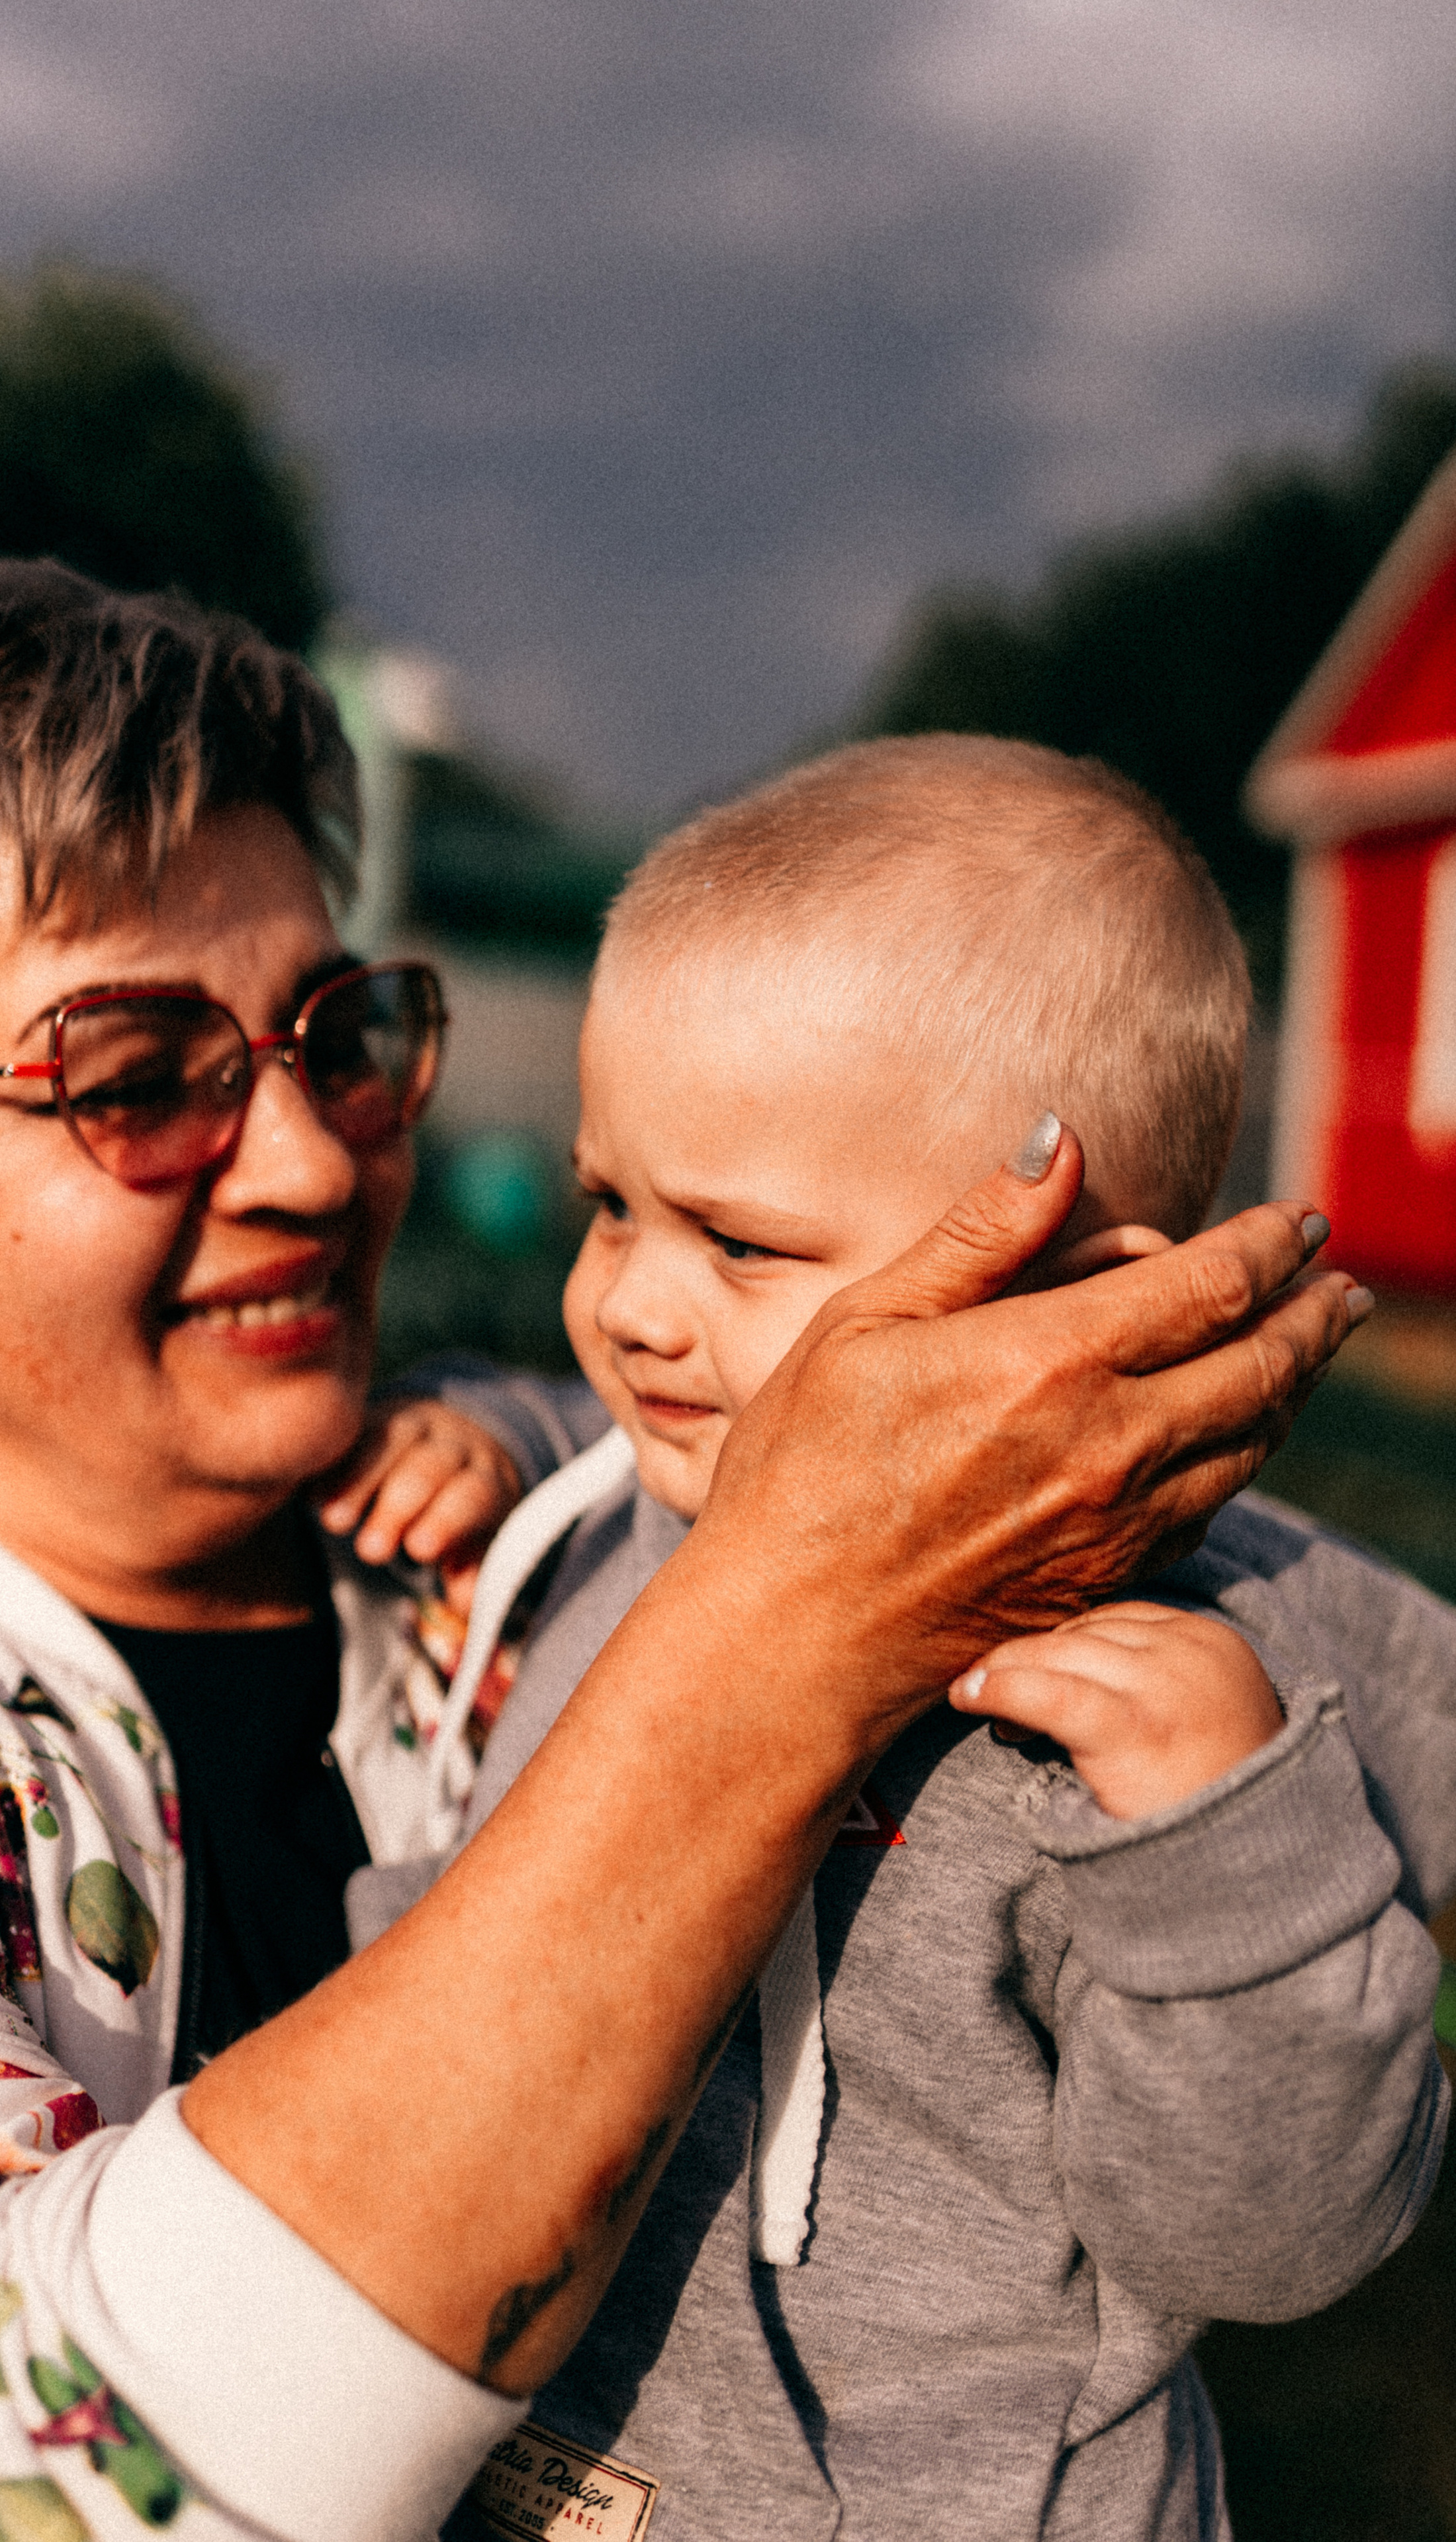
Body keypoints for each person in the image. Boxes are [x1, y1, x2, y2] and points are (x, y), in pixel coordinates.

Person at [0, 557, 1356, 2542]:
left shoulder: (511, 1513)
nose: (315, 1157)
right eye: (139, 1076)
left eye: (339, 1033)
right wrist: (787, 1631)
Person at [350, 737, 1452, 2542]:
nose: (629, 1300)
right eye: (606, 1203)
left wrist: (1227, 1846)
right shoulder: (636, 1502)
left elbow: (1271, 2240)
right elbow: (609, 1426)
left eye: (738, 1243)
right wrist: (494, 1429)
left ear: (1074, 1302)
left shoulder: (1161, 1703)